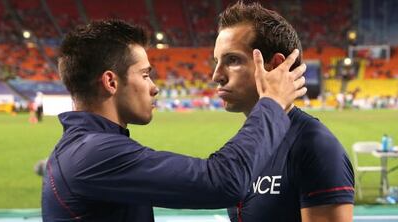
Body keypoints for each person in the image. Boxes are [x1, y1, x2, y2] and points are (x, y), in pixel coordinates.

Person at [41, 20, 307, 221]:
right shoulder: (93, 154)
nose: (154, 87)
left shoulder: (85, 148)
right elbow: (224, 181)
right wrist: (271, 103)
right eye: (145, 75)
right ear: (111, 82)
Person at [212, 2, 354, 222]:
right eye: (216, 61)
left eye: (232, 60)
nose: (216, 75)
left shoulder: (316, 147)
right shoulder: (249, 141)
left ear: (275, 65)